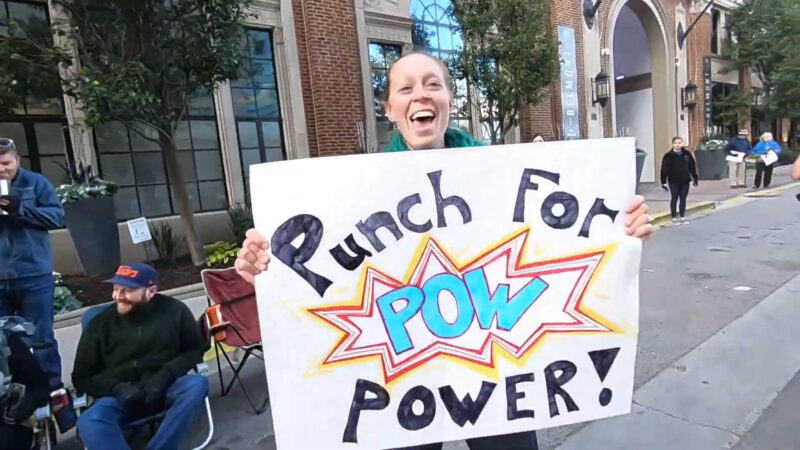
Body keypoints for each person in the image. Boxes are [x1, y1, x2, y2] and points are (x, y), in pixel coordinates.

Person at [234, 52, 653, 450]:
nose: (421, 94)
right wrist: (266, 271)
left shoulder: (506, 172)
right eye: (406, 88)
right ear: (390, 109)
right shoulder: (353, 193)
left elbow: (580, 240)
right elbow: (309, 281)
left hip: (501, 371)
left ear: (449, 100)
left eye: (433, 84)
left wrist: (623, 230)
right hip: (403, 380)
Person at [72, 263, 208, 450]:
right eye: (115, 289)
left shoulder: (175, 311)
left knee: (197, 384)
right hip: (120, 398)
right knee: (89, 421)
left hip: (165, 387)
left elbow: (194, 350)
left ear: (151, 291)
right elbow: (81, 377)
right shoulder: (100, 323)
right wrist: (116, 388)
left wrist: (166, 375)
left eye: (127, 290)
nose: (118, 297)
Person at [0, 137, 76, 431]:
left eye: (6, 164)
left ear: (16, 160)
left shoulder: (36, 183)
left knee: (42, 337)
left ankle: (55, 394)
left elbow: (57, 217)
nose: (2, 171)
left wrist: (20, 209)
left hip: (33, 274)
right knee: (6, 343)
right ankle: (17, 395)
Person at [660, 136, 699, 224]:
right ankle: (674, 217)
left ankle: (682, 216)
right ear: (673, 144)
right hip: (673, 180)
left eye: (679, 143)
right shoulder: (668, 156)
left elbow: (692, 166)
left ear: (682, 144)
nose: (677, 145)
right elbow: (664, 169)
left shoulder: (687, 154)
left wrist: (695, 178)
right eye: (676, 143)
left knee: (683, 198)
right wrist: (663, 182)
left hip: (685, 180)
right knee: (674, 198)